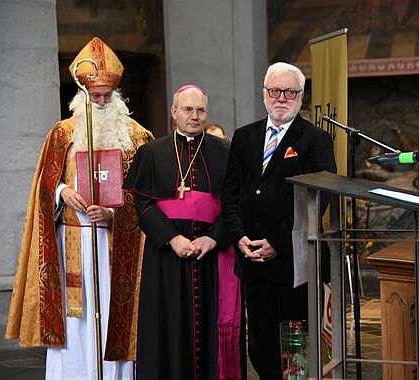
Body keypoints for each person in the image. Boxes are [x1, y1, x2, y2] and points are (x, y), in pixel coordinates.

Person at [4, 36, 154, 379]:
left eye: (106, 97)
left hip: (117, 244)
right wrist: (62, 192)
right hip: (73, 241)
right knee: (77, 319)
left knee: (114, 313)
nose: (100, 103)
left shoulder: (136, 136)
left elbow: (145, 194)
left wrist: (114, 214)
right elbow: (42, 187)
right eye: (94, 96)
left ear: (116, 96)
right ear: (81, 96)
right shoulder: (63, 134)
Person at [221, 62, 337, 379]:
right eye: (275, 91)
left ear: (301, 96)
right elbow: (230, 194)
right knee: (260, 348)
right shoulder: (244, 137)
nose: (281, 97)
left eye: (289, 92)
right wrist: (239, 236)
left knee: (296, 352)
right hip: (252, 261)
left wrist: (277, 242)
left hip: (293, 265)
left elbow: (319, 198)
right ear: (264, 94)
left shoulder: (316, 140)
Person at [123, 85, 242, 379]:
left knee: (209, 326)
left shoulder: (226, 152)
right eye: (188, 110)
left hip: (211, 256)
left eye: (201, 110)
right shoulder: (151, 153)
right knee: (167, 325)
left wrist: (214, 238)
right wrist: (172, 238)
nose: (195, 116)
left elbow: (236, 203)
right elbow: (142, 204)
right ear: (174, 112)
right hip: (166, 255)